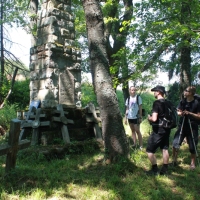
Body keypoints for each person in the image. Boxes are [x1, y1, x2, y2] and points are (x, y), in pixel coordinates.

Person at [172, 86, 200, 170]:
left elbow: (199, 116)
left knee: (192, 146)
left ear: (191, 93)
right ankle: (174, 160)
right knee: (175, 143)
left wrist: (190, 113)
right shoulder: (182, 101)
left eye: (186, 91)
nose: (184, 92)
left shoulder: (197, 102)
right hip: (182, 125)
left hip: (193, 126)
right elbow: (178, 111)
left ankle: (193, 164)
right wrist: (180, 113)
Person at [146, 85, 171, 175]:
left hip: (158, 130)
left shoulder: (157, 103)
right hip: (167, 129)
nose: (154, 93)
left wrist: (149, 118)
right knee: (164, 148)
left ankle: (155, 170)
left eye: (155, 91)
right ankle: (164, 170)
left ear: (159, 92)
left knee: (149, 150)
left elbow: (154, 119)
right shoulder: (168, 102)